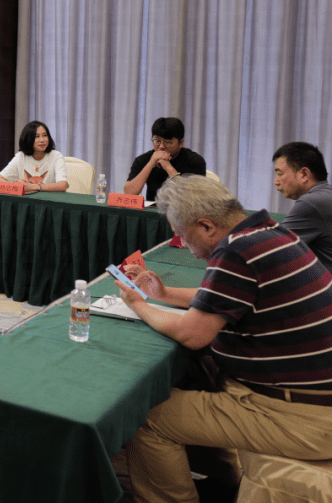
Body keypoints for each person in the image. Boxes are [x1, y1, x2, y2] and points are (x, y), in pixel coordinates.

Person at [115, 175, 332, 503]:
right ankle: (224, 480)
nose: (185, 246)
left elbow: (191, 334)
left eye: (182, 235)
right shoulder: (270, 231)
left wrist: (138, 304)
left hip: (298, 416)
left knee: (147, 417)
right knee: (200, 375)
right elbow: (224, 294)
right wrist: (163, 294)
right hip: (312, 400)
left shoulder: (237, 251)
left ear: (205, 225)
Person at [273, 141, 332, 272]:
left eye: (280, 173)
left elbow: (273, 248)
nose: (276, 181)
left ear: (304, 174)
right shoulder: (326, 195)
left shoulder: (312, 202)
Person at [124, 117, 206, 201]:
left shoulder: (195, 161)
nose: (161, 146)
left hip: (182, 208)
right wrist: (150, 164)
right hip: (153, 208)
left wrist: (168, 167)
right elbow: (129, 193)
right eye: (157, 141)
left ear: (181, 143)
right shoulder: (143, 159)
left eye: (167, 142)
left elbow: (192, 198)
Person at [0, 121, 69, 193]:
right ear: (28, 139)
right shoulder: (21, 156)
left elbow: (62, 185)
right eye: (37, 136)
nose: (42, 140)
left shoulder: (56, 156)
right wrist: (16, 185)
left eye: (45, 135)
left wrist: (34, 187)